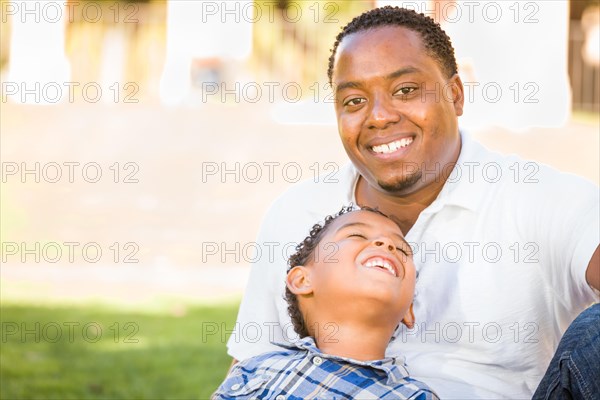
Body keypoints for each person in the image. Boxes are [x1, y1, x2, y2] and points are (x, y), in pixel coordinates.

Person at [227, 6, 600, 399]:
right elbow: (249, 370)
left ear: (455, 95)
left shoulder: (537, 197)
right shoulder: (296, 211)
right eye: (353, 101)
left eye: (405, 90)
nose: (379, 116)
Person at [214, 206, 439, 399]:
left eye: (401, 249)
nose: (387, 243)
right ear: (302, 280)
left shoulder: (413, 396)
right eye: (357, 235)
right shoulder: (254, 370)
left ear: (409, 310)